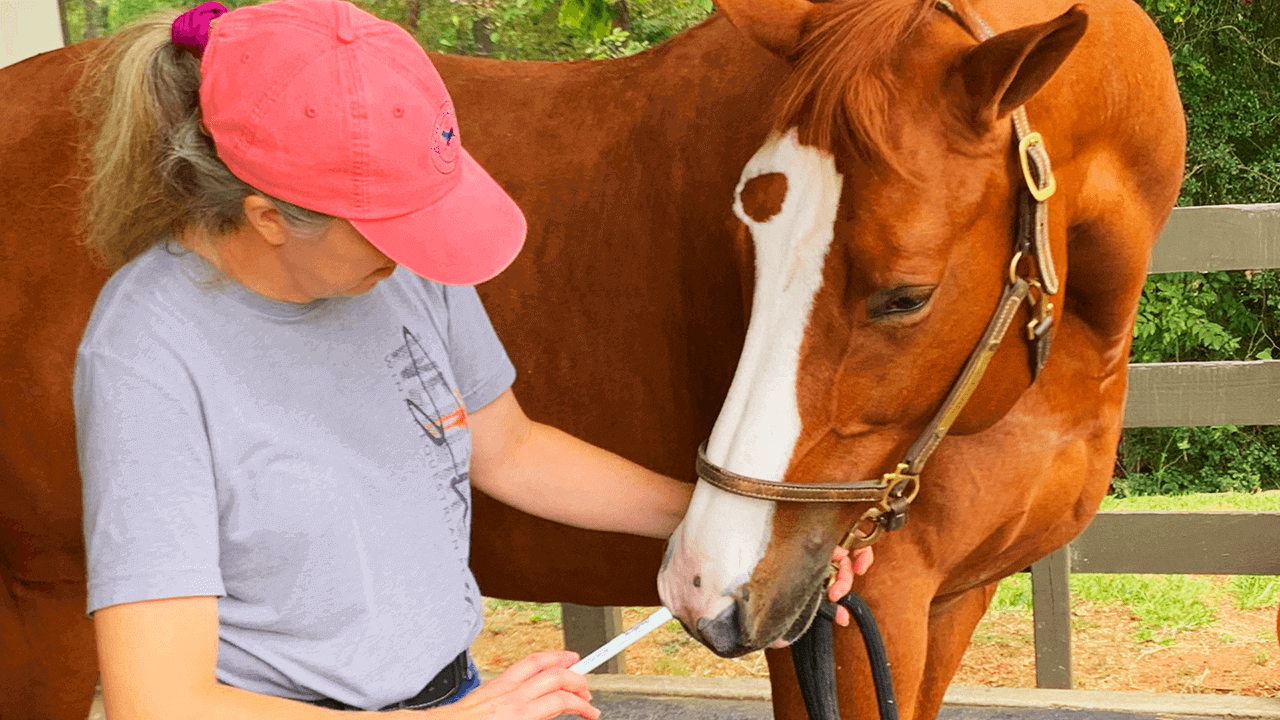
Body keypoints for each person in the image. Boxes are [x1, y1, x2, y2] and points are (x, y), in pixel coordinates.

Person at [73, 1, 872, 718]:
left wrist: (747, 524)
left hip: (452, 690)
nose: (418, 253)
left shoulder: (401, 270)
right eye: (394, 232)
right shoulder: (148, 357)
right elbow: (161, 699)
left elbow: (512, 450)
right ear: (269, 216)